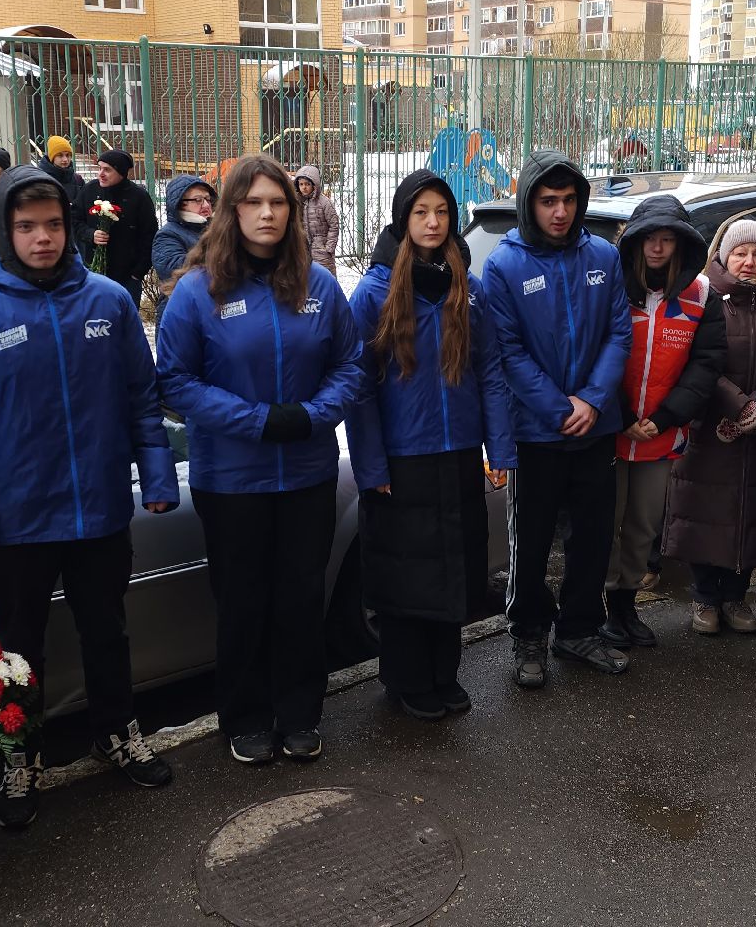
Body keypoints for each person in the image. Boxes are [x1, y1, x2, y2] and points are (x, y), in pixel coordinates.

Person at [0, 164, 181, 826]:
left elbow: (139, 399)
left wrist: (155, 478)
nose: (41, 238)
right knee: (17, 648)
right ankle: (21, 758)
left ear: (70, 227)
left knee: (107, 631)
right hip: (14, 520)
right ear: (5, 233)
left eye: (52, 224)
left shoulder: (107, 302)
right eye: (26, 226)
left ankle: (116, 731)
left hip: (96, 507)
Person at [155, 154, 364, 765]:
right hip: (233, 480)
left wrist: (311, 414)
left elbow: (351, 367)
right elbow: (176, 381)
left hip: (305, 474)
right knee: (244, 601)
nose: (268, 213)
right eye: (254, 203)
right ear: (232, 212)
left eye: (279, 202)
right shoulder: (198, 292)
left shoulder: (319, 287)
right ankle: (245, 716)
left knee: (301, 598)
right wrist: (257, 421)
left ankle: (300, 713)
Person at [346, 169, 515, 720]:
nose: (433, 222)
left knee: (453, 567)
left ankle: (444, 672)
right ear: (403, 218)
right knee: (405, 573)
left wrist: (499, 448)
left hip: (459, 450)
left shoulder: (468, 284)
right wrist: (371, 465)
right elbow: (359, 387)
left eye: (442, 211)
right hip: (401, 457)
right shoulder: (374, 292)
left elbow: (489, 370)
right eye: (421, 212)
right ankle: (406, 678)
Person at [481, 150, 633, 687]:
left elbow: (619, 332)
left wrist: (591, 400)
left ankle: (579, 630)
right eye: (549, 201)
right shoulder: (504, 265)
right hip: (537, 431)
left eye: (569, 200)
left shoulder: (603, 257)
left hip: (596, 425)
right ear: (530, 203)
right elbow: (507, 349)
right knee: (532, 540)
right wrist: (558, 406)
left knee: (593, 537)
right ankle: (528, 636)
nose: (561, 211)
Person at [662, 218, 756, 636]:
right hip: (711, 426)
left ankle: (737, 595)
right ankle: (705, 596)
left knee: (754, 513)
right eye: (740, 253)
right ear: (723, 256)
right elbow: (697, 362)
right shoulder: (704, 299)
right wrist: (738, 405)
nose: (749, 262)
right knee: (705, 512)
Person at [604, 196, 726, 648]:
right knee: (604, 524)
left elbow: (706, 363)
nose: (658, 247)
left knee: (642, 526)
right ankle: (597, 610)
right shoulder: (609, 288)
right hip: (609, 430)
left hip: (662, 433)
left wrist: (665, 416)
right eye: (649, 238)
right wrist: (621, 416)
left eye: (668, 239)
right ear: (633, 242)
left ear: (681, 244)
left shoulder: (701, 295)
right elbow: (590, 355)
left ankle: (625, 606)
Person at [73, 149, 157, 303]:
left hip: (127, 278)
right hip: (94, 273)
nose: (101, 174)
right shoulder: (89, 190)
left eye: (107, 170)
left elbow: (150, 235)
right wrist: (90, 234)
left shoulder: (139, 197)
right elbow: (75, 220)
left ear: (121, 172)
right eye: (99, 168)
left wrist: (138, 272)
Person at [151, 175, 213, 320]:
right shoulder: (167, 235)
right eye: (198, 200)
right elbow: (173, 269)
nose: (206, 205)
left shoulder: (217, 229)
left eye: (208, 199)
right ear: (180, 204)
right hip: (180, 311)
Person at [294, 165, 341, 275]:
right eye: (301, 184)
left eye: (307, 184)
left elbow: (334, 225)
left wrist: (329, 247)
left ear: (314, 185)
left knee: (326, 277)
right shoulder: (298, 202)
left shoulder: (324, 202)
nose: (304, 187)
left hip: (322, 249)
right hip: (304, 249)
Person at [37, 134, 85, 202]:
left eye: (68, 155)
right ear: (52, 158)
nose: (65, 159)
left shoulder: (78, 180)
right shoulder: (41, 180)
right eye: (60, 155)